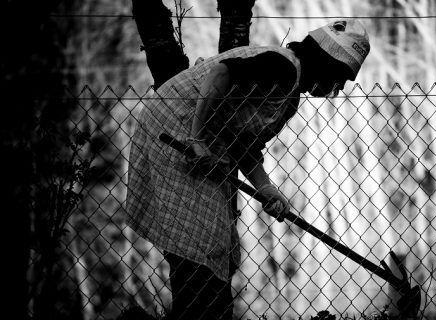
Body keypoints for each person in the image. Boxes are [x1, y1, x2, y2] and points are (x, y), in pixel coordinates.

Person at [125, 19, 370, 320]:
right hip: (174, 133)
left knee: (212, 249)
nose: (340, 86)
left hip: (193, 141)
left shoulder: (288, 94)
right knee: (202, 247)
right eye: (340, 76)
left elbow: (245, 143)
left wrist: (265, 187)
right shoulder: (282, 67)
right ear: (326, 62)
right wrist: (198, 136)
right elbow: (222, 73)